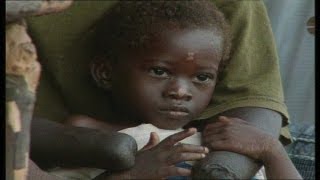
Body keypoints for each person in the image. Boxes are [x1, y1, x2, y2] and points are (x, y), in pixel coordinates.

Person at [28, 0, 294, 179]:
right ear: (105, 74)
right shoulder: (91, 132)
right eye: (159, 71)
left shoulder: (217, 139)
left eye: (202, 77)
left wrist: (271, 149)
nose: (180, 91)